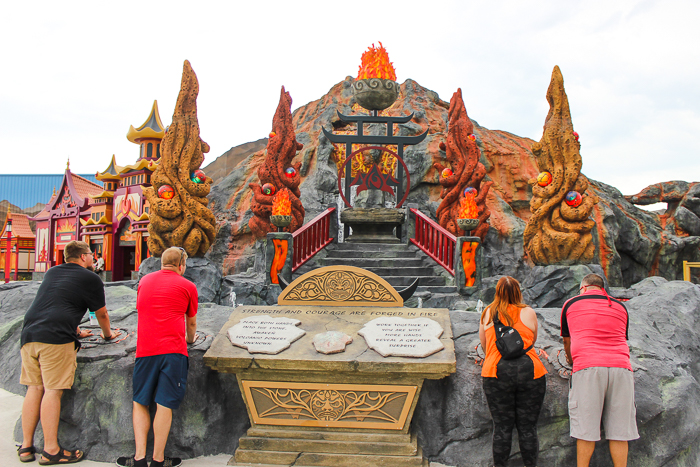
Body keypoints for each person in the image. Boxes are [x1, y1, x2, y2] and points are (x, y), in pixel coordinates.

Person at [18, 240, 117, 464]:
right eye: (91, 254)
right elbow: (101, 314)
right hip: (55, 339)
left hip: (30, 335)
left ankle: (26, 447)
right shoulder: (91, 277)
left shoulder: (53, 272)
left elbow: (56, 302)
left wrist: (76, 330)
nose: (93, 257)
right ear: (83, 257)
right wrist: (108, 335)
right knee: (53, 391)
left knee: (34, 388)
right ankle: (51, 450)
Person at [117, 247, 198, 467]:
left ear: (161, 263)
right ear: (181, 264)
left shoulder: (144, 282)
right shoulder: (188, 286)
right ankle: (159, 460)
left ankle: (139, 458)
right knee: (164, 404)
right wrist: (191, 339)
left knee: (140, 402)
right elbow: (191, 322)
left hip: (145, 350)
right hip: (173, 351)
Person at [561, 273, 639, 467]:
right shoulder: (620, 307)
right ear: (602, 288)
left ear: (583, 288)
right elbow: (620, 336)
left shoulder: (570, 304)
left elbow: (567, 340)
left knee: (585, 431)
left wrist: (572, 360)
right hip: (621, 368)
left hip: (587, 367)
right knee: (620, 433)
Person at [479, 276, 547, 467]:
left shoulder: (487, 313)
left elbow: (485, 346)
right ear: (519, 292)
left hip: (496, 372)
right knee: (528, 428)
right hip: (530, 372)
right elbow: (531, 340)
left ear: (497, 292)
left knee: (501, 427)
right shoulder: (528, 312)